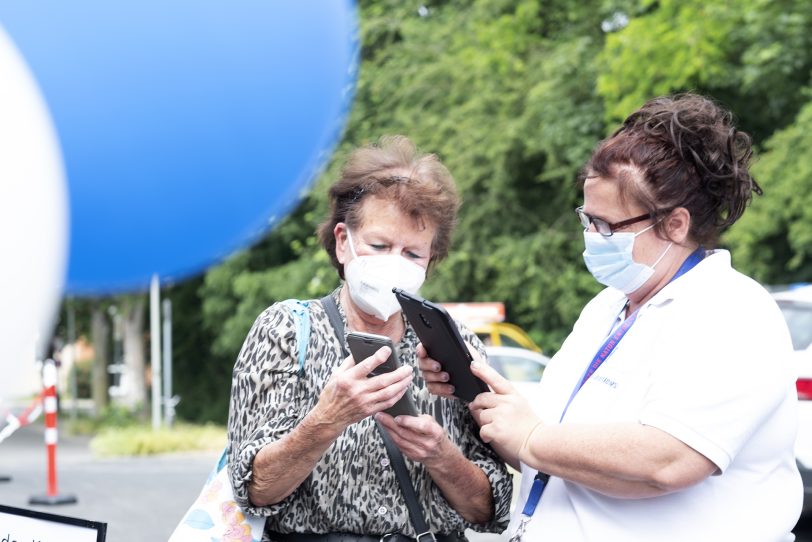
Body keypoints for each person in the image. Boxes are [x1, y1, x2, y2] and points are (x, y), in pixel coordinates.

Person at [422, 94, 803, 541]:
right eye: (587, 219)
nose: (590, 237)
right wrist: (479, 399)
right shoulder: (608, 307)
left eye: (607, 226)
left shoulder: (732, 312)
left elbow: (668, 459)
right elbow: (552, 442)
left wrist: (531, 438)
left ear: (675, 225)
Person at [227, 135, 512, 542]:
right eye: (379, 245)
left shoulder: (453, 344)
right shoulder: (287, 329)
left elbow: (490, 509)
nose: (395, 263)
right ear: (343, 242)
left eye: (413, 254)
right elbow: (254, 490)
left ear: (430, 261)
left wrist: (442, 456)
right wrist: (328, 418)